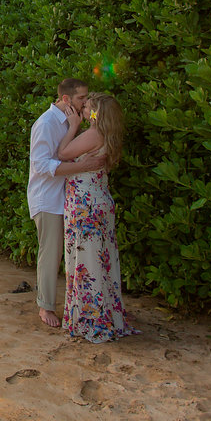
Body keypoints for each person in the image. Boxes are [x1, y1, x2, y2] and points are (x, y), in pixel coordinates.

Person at [57, 92, 138, 342]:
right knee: (101, 259)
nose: (82, 111)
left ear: (96, 114)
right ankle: (105, 316)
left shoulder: (93, 133)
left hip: (85, 205)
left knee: (86, 262)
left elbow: (63, 154)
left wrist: (72, 127)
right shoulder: (109, 136)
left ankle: (90, 319)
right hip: (99, 200)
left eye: (87, 108)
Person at [27, 78, 106, 328]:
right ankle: (45, 306)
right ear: (65, 99)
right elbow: (40, 164)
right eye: (81, 98)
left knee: (71, 255)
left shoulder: (71, 122)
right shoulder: (47, 123)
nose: (85, 103)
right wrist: (78, 167)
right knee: (50, 254)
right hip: (47, 198)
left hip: (66, 198)